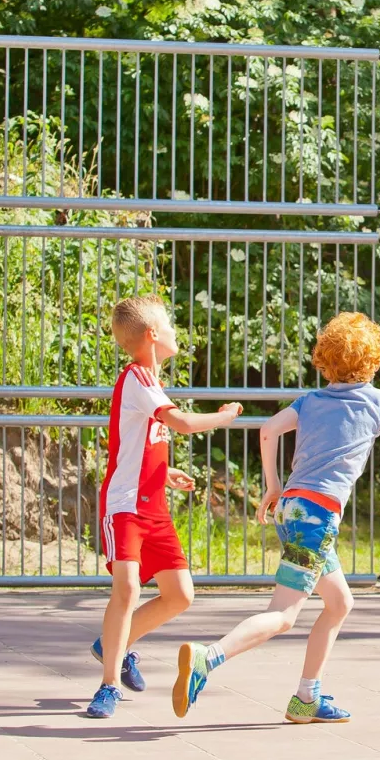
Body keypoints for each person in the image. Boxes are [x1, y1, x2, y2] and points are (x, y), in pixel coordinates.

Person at [172, 311, 380, 723]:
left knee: (339, 602)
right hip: (318, 516)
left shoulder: (309, 401)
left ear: (323, 358)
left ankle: (306, 699)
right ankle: (209, 657)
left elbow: (268, 430)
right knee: (283, 615)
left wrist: (274, 486)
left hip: (294, 509)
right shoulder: (376, 401)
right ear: (373, 361)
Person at [85, 295, 243, 720]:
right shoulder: (136, 377)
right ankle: (108, 684)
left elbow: (139, 441)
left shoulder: (151, 382)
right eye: (170, 325)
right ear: (153, 335)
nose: (175, 331)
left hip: (152, 503)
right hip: (124, 506)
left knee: (180, 595)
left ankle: (112, 645)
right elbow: (184, 424)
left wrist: (165, 471)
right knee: (129, 588)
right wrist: (225, 415)